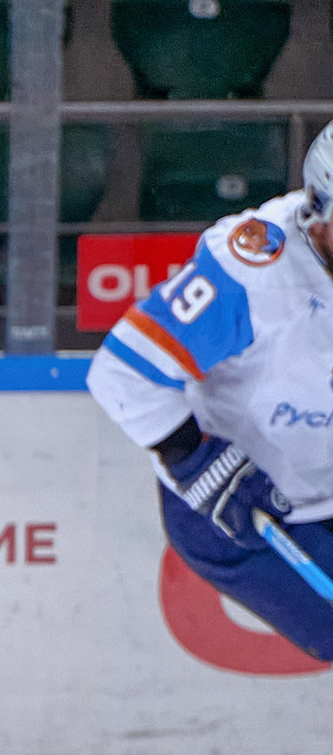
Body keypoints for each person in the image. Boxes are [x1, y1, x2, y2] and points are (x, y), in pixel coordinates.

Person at [87, 121, 333, 660]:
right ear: (321, 212)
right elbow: (124, 372)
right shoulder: (254, 271)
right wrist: (195, 460)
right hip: (240, 508)